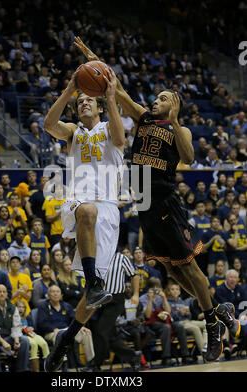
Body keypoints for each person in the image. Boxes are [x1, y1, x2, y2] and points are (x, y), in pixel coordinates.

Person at [72, 36, 241, 364]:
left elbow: (189, 157)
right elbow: (114, 85)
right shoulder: (142, 118)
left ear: (173, 105)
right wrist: (91, 60)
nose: (155, 100)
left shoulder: (180, 129)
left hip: (165, 203)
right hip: (144, 206)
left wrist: (176, 122)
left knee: (190, 269)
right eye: (156, 97)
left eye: (162, 98)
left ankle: (212, 324)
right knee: (174, 272)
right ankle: (219, 310)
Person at [43, 46, 125, 371]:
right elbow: (50, 123)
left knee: (93, 296)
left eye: (88, 99)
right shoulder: (73, 132)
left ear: (99, 103)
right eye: (80, 102)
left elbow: (119, 138)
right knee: (87, 211)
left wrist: (110, 92)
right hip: (79, 200)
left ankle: (67, 338)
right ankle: (92, 282)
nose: (83, 102)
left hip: (109, 209)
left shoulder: (108, 128)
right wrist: (69, 89)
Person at [37, 284, 95, 368]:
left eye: (57, 292)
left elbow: (74, 320)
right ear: (48, 295)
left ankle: (91, 363)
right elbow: (41, 323)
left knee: (86, 333)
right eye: (53, 292)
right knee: (59, 336)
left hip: (67, 330)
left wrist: (80, 327)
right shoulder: (43, 307)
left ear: (61, 295)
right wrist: (53, 329)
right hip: (51, 333)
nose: (55, 294)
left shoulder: (66, 306)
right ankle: (61, 364)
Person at [167, 282, 207, 358]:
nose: (175, 291)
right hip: (178, 323)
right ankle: (205, 354)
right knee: (195, 328)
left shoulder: (183, 302)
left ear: (179, 292)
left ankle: (205, 345)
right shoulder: (168, 302)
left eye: (177, 289)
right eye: (172, 289)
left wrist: (187, 313)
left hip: (188, 321)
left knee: (206, 325)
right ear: (168, 292)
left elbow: (189, 317)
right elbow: (170, 317)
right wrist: (179, 312)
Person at [16, 300, 49, 372]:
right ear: (15, 308)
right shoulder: (13, 318)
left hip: (31, 334)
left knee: (44, 343)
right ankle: (35, 369)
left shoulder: (27, 317)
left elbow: (32, 327)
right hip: (22, 336)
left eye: (23, 307)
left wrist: (30, 328)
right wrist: (21, 328)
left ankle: (48, 367)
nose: (21, 309)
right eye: (19, 307)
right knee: (34, 344)